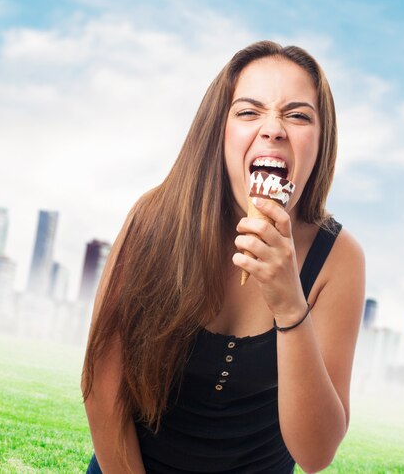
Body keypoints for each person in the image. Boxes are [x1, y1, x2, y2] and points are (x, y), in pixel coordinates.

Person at [82, 41, 365, 474]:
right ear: (219, 131)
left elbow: (316, 454)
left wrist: (290, 304)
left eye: (298, 114)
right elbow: (103, 393)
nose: (273, 128)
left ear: (321, 141)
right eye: (249, 112)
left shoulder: (339, 258)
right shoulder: (154, 219)